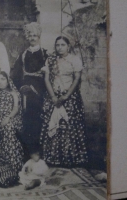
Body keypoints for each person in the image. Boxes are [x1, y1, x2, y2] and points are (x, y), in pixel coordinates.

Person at [40, 36, 88, 167]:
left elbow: (77, 78)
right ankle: (53, 158)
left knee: (68, 126)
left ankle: (70, 158)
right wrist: (53, 97)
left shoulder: (74, 59)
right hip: (53, 97)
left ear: (68, 46)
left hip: (70, 97)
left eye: (62, 45)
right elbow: (46, 79)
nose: (60, 48)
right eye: (57, 45)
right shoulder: (50, 60)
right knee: (53, 124)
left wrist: (66, 96)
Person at [10, 22, 48, 158]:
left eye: (35, 35)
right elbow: (15, 74)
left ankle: (40, 154)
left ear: (39, 36)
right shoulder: (24, 54)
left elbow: (49, 76)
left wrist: (38, 89)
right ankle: (27, 154)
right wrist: (21, 87)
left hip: (40, 92)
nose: (32, 38)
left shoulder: (45, 54)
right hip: (25, 93)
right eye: (30, 35)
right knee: (26, 122)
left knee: (39, 122)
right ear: (27, 37)